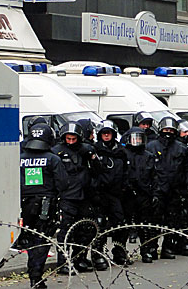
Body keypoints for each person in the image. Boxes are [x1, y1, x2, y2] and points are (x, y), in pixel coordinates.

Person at [20, 124, 68, 288]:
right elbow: (63, 184)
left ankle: (33, 273)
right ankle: (36, 277)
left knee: (30, 240)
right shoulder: (53, 159)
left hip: (24, 205)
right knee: (42, 239)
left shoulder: (20, 157)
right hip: (46, 206)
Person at [145, 117, 188, 258]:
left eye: (171, 130)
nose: (168, 133)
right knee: (154, 220)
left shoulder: (181, 148)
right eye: (166, 130)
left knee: (172, 220)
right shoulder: (151, 146)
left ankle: (168, 247)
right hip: (157, 189)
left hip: (175, 189)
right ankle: (151, 248)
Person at [52, 122, 98, 275]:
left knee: (85, 228)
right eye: (68, 139)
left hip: (84, 196)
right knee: (66, 230)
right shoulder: (57, 152)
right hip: (67, 197)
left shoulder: (86, 150)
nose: (71, 142)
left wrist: (92, 157)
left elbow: (97, 170)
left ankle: (80, 258)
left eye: (73, 139)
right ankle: (63, 262)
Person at [91, 121, 130, 268]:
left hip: (116, 193)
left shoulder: (120, 151)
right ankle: (98, 254)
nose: (106, 136)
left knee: (120, 222)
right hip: (100, 193)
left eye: (109, 133)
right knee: (100, 224)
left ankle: (119, 252)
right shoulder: (95, 151)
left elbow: (126, 171)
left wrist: (124, 187)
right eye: (104, 133)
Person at [120, 127, 158, 263]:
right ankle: (122, 252)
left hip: (144, 194)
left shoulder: (148, 156)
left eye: (139, 139)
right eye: (134, 139)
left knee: (145, 224)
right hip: (128, 194)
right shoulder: (124, 154)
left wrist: (154, 194)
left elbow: (154, 177)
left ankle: (145, 250)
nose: (136, 142)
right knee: (125, 225)